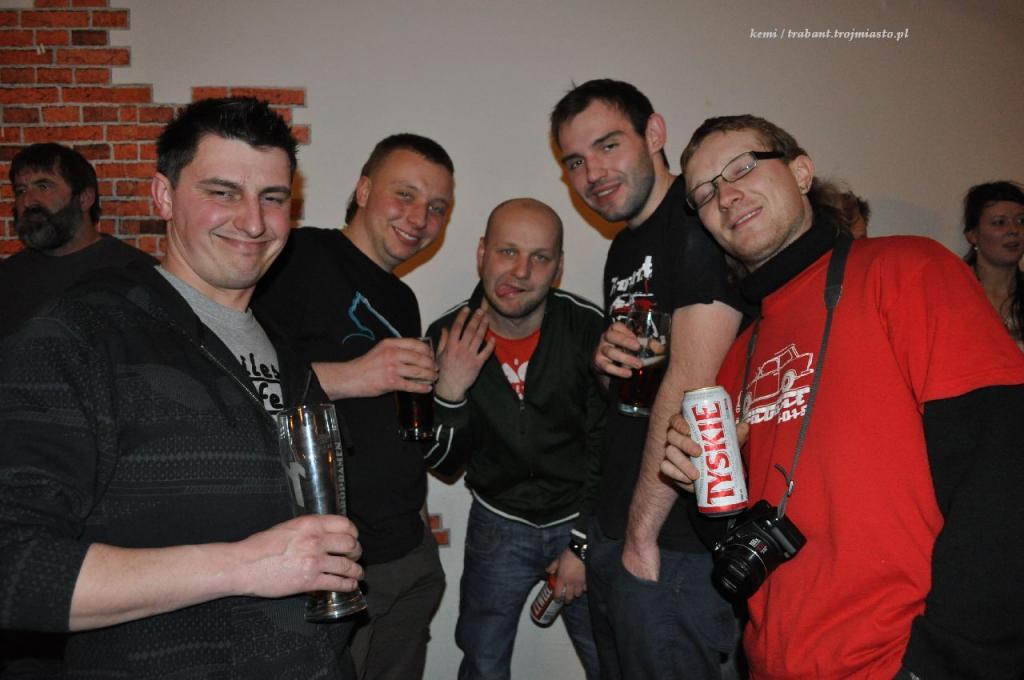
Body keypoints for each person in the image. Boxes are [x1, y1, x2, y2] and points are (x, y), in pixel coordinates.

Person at [0, 97, 365, 679]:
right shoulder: (81, 333)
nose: (253, 222)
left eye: (272, 198)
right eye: (223, 192)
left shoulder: (288, 357)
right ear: (164, 196)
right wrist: (241, 566)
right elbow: (14, 569)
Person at [660, 114, 1024, 679]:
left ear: (802, 173)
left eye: (742, 167)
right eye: (704, 194)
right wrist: (701, 490)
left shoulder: (910, 269)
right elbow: (735, 535)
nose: (725, 195)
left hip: (902, 663)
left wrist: (945, 663)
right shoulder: (738, 355)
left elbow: (1003, 475)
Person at [550, 79, 745, 679]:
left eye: (608, 145)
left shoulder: (698, 220)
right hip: (619, 526)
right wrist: (607, 366)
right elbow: (635, 396)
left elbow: (692, 387)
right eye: (575, 162)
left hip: (674, 540)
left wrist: (641, 538)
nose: (592, 174)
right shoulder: (624, 247)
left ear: (654, 133)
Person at [253, 134, 452, 680]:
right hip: (336, 563)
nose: (420, 218)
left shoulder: (402, 297)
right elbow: (243, 381)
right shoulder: (297, 256)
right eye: (405, 194)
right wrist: (353, 376)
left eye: (437, 207)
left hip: (408, 553)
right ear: (364, 191)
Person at [425, 198, 603, 680]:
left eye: (539, 257)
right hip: (498, 522)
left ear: (558, 268)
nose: (521, 272)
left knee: (609, 656)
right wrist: (450, 393)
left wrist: (583, 543)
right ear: (481, 253)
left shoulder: (588, 328)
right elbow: (443, 464)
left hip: (579, 517)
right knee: (482, 661)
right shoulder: (445, 335)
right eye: (507, 251)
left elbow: (610, 446)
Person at [1, 143, 155, 332]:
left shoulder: (137, 274)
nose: (27, 201)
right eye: (20, 191)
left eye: (43, 186)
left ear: (84, 198)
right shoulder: (8, 277)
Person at [962, 181, 1024, 350]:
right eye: (999, 222)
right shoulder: (954, 292)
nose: (1013, 230)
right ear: (973, 235)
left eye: (1021, 221)